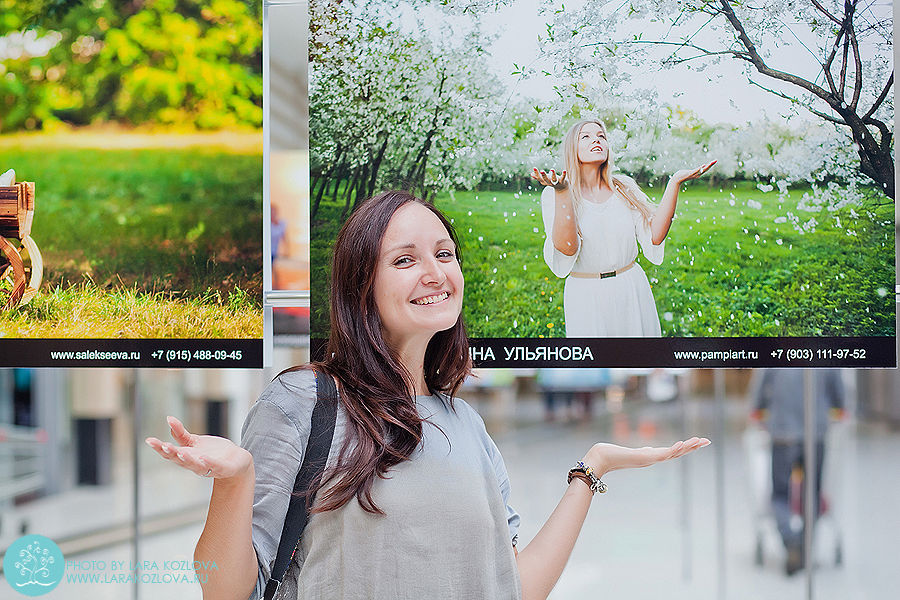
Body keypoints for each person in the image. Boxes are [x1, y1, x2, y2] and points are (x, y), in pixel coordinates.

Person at [146, 190, 710, 600]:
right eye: (405, 260)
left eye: (444, 254)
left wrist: (592, 467)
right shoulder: (303, 402)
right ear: (361, 286)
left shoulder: (466, 425)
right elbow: (226, 591)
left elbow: (512, 586)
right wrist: (237, 478)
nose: (435, 273)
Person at [532, 119, 715, 337]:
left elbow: (655, 236)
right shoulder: (555, 192)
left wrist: (674, 182)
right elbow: (567, 248)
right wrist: (563, 192)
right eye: (586, 136)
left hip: (631, 287)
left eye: (601, 136)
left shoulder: (624, 187)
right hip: (586, 295)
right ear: (573, 148)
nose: (596, 140)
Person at [750, 368, 845, 575]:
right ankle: (804, 545)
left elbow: (760, 388)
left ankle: (791, 540)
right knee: (812, 493)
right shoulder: (825, 350)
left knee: (780, 494)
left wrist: (758, 408)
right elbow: (839, 393)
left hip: (783, 433)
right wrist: (839, 406)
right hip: (816, 434)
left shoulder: (777, 347)